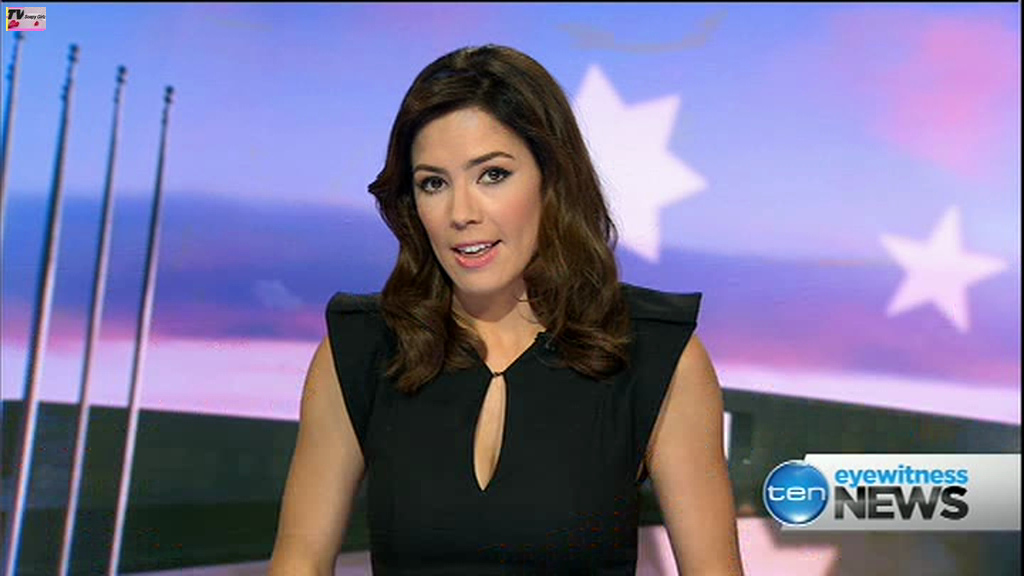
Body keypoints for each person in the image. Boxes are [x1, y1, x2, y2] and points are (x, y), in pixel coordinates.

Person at [268, 44, 744, 575]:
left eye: (492, 175)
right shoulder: (361, 350)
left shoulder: (655, 353)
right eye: (433, 183)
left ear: (551, 178)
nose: (461, 213)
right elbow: (300, 561)